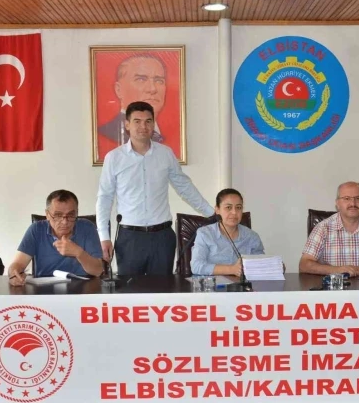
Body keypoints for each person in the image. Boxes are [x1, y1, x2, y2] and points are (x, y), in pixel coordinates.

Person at [96, 101, 214, 275]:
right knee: (130, 289)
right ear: (127, 124)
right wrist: (104, 237)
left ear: (153, 124)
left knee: (163, 289)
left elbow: (184, 187)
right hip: (130, 238)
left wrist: (211, 213)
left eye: (148, 121)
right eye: (137, 121)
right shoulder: (114, 158)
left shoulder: (165, 154)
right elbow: (104, 198)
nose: (143, 126)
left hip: (162, 237)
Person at [8, 190, 104, 286]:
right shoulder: (36, 229)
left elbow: (98, 271)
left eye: (71, 215)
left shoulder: (87, 228)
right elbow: (18, 264)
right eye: (58, 215)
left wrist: (79, 253)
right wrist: (14, 274)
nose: (65, 222)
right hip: (44, 290)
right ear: (47, 214)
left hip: (82, 289)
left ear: (77, 213)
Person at [190, 188, 264, 276]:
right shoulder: (205, 234)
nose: (234, 212)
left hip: (243, 284)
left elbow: (261, 265)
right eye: (228, 207)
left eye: (238, 207)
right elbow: (196, 266)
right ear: (217, 210)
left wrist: (271, 266)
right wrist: (232, 269)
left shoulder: (252, 236)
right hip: (213, 283)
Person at [98, 55, 167, 145]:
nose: (152, 89)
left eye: (159, 81)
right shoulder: (107, 134)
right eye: (141, 80)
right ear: (119, 90)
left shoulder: (166, 145)